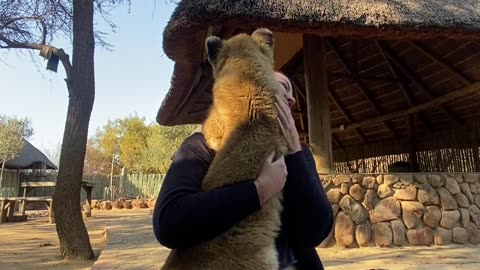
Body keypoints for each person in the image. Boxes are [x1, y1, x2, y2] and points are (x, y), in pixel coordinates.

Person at [153, 72, 333, 270]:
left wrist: (294, 150)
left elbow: (316, 231)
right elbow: (169, 224)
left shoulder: (298, 154)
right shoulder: (202, 145)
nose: (290, 97)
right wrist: (258, 191)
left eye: (286, 89)